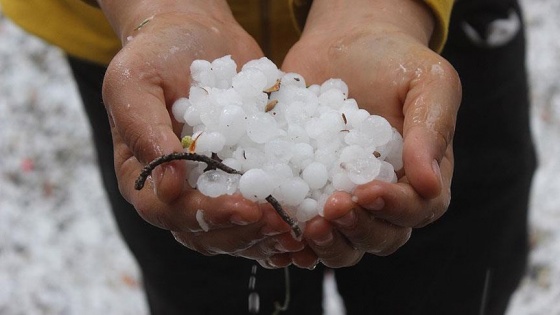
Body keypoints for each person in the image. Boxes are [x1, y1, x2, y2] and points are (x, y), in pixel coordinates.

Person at [0, 0, 534, 314]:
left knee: (451, 274)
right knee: (206, 280)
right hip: (145, 40)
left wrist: (379, 9)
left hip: (421, 31)